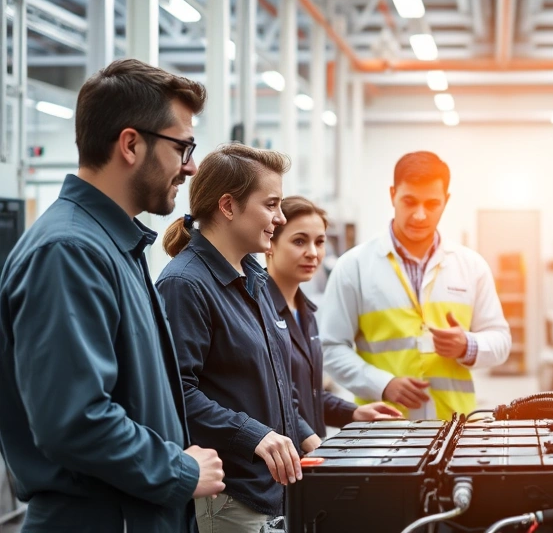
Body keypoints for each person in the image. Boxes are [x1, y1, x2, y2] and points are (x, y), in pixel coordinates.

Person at [0, 59, 224, 532]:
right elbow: (75, 421)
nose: (191, 166)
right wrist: (180, 470)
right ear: (130, 144)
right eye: (183, 146)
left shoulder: (114, 245)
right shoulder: (69, 251)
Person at [157, 144, 317, 533]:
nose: (279, 218)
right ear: (228, 206)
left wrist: (307, 438)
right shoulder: (185, 284)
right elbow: (176, 393)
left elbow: (273, 384)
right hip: (229, 498)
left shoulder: (254, 278)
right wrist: (252, 435)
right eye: (271, 204)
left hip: (271, 491)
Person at [321, 151, 511, 420]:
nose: (420, 215)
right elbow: (330, 348)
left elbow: (501, 340)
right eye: (409, 201)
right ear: (392, 195)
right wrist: (382, 384)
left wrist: (466, 345)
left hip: (455, 427)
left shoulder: (471, 265)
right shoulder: (354, 266)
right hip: (381, 429)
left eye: (432, 203)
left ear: (446, 201)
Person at [266, 196, 403, 434]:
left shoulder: (306, 312)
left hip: (310, 460)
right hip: (280, 462)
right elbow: (271, 404)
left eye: (319, 242)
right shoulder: (258, 311)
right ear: (270, 244)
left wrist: (352, 413)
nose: (312, 253)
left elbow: (308, 396)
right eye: (299, 241)